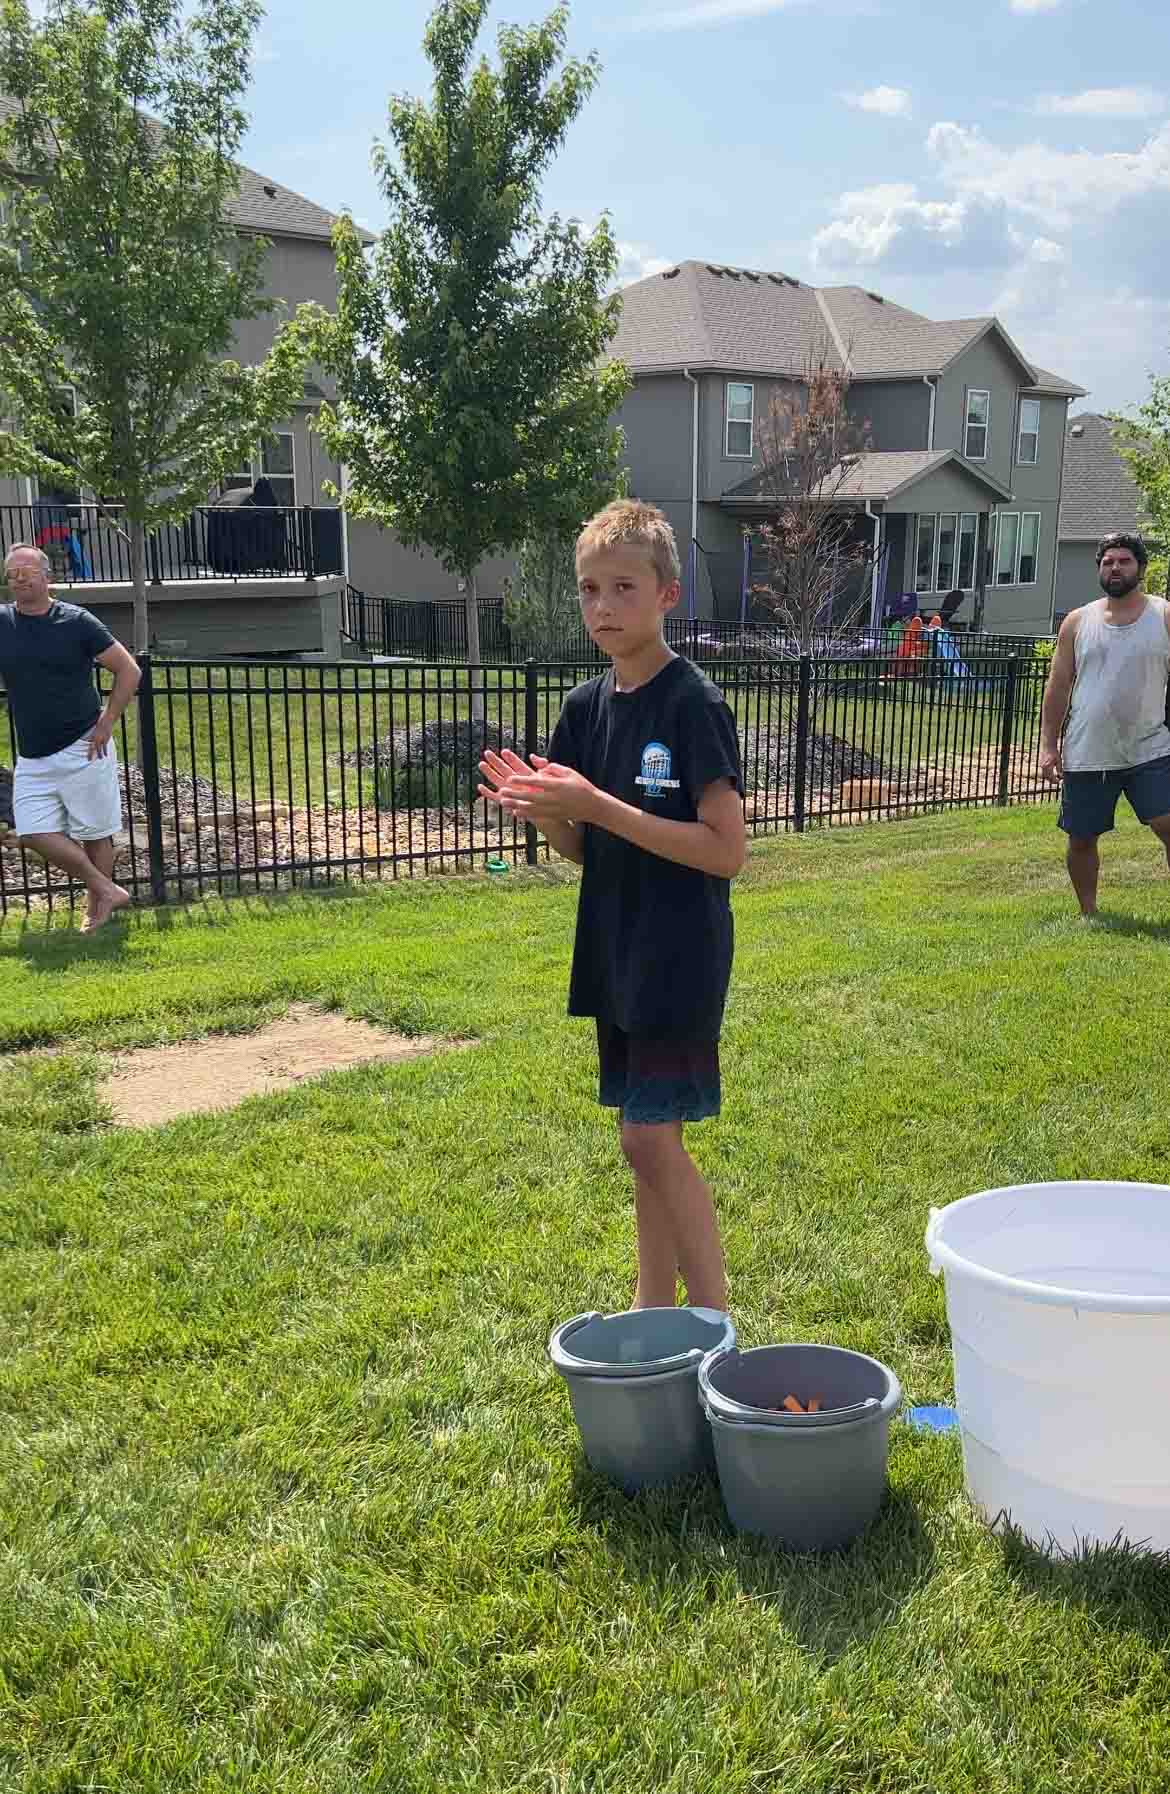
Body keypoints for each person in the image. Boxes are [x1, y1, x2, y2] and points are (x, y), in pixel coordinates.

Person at [478, 500, 746, 1313]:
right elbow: (583, 848)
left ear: (668, 594)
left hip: (678, 956)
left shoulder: (691, 703)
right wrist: (552, 811)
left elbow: (725, 850)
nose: (603, 607)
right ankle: (652, 1313)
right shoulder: (582, 709)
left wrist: (597, 805)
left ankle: (712, 1321)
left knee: (648, 1136)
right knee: (644, 1147)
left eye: (623, 587)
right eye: (590, 589)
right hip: (615, 951)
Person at [0, 543, 140, 930]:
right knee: (32, 830)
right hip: (33, 754)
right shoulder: (2, 623)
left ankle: (98, 911)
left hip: (84, 745)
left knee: (95, 833)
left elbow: (129, 670)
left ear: (48, 577)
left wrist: (108, 721)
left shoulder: (76, 621)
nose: (20, 578)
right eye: (12, 573)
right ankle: (106, 887)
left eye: (27, 571)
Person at [1039, 530, 1170, 917]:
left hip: (1151, 746)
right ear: (1099, 569)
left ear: (1141, 568)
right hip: (1088, 749)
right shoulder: (1078, 622)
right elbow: (1058, 685)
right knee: (1081, 837)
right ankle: (1089, 913)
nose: (1115, 567)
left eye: (1124, 560)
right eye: (1108, 561)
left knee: (1167, 825)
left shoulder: (1163, 616)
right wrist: (1048, 745)